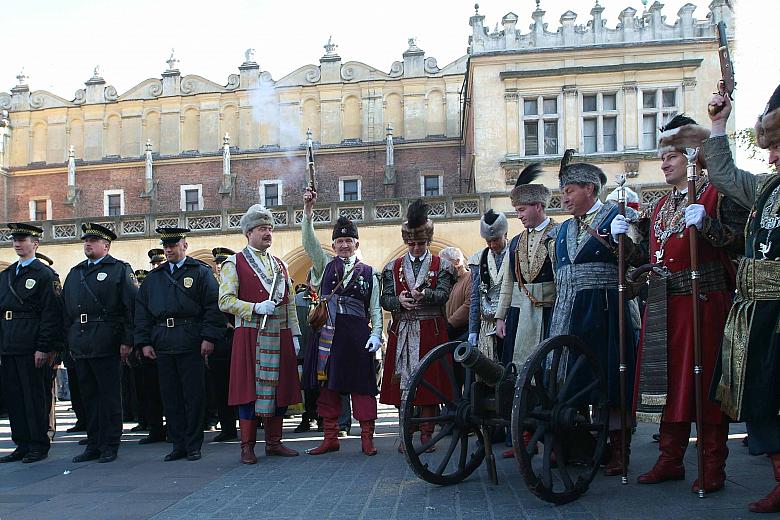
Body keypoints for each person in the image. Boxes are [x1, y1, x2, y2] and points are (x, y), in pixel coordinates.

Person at [614, 115, 747, 493]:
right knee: (668, 383)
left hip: (703, 302)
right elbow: (647, 258)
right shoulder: (659, 206)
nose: (664, 163)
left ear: (693, 155)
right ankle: (669, 458)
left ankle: (712, 465)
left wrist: (707, 225)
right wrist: (620, 241)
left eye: (671, 155)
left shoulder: (718, 194)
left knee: (704, 384)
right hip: (664, 305)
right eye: (662, 157)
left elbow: (740, 243)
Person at [704, 84, 780, 513]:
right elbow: (725, 177)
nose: (771, 157)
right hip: (757, 313)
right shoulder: (768, 188)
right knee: (761, 398)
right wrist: (718, 125)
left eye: (778, 147)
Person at [550, 156, 644, 476]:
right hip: (568, 312)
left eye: (569, 190)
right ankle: (581, 445)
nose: (564, 197)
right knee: (573, 379)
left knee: (611, 379)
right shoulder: (563, 229)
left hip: (605, 310)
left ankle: (618, 448)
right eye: (563, 191)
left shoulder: (618, 215)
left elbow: (638, 259)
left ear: (589, 189)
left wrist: (622, 239)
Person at [300, 187, 383, 456]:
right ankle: (330, 437)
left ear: (357, 244)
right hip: (328, 335)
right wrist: (308, 211)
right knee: (328, 388)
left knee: (363, 387)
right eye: (339, 241)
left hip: (357, 336)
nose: (344, 245)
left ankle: (367, 438)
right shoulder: (323, 264)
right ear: (333, 245)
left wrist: (376, 334)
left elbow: (375, 308)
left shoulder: (370, 273)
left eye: (349, 241)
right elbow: (308, 242)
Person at [218, 205, 302, 464]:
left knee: (280, 388)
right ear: (249, 233)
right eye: (262, 229)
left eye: (269, 229)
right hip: (250, 333)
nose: (268, 233)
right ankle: (247, 446)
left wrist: (295, 334)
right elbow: (225, 301)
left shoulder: (280, 265)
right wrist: (254, 307)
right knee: (249, 391)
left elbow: (289, 303)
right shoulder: (234, 263)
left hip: (280, 332)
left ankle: (274, 443)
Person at [135, 227, 225, 462]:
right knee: (170, 396)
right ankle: (178, 443)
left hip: (191, 341)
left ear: (184, 245)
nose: (168, 250)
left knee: (193, 396)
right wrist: (144, 342)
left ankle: (193, 444)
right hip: (163, 341)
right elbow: (142, 313)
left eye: (173, 245)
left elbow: (213, 307)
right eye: (166, 246)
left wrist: (209, 337)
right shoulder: (155, 277)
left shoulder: (200, 272)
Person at [379, 199, 456, 452]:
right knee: (402, 383)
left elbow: (444, 295)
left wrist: (427, 295)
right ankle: (405, 434)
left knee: (430, 382)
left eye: (420, 243)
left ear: (428, 241)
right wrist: (398, 301)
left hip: (430, 329)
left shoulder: (442, 265)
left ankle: (427, 434)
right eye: (411, 244)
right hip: (403, 328)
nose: (415, 248)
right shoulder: (392, 267)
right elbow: (385, 299)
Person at [494, 163, 558, 458]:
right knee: (520, 374)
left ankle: (554, 442)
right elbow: (508, 282)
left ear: (538, 206)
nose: (518, 215)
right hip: (520, 316)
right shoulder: (517, 242)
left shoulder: (558, 233)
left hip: (550, 312)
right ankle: (526, 437)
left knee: (548, 375)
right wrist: (500, 316)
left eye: (521, 210)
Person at [62, 223, 137, 464]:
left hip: (107, 339)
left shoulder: (119, 270)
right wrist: (69, 341)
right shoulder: (75, 273)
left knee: (109, 396)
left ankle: (110, 444)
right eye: (86, 241)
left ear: (106, 245)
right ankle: (93, 443)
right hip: (81, 342)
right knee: (89, 396)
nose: (87, 244)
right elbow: (66, 311)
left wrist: (127, 340)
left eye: (93, 241)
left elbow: (130, 308)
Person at [0, 223, 64, 463]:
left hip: (31, 343)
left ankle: (38, 443)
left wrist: (44, 346)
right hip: (9, 343)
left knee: (34, 396)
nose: (17, 244)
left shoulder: (44, 274)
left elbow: (51, 313)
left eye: (23, 240)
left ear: (35, 244)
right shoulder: (7, 274)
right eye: (15, 240)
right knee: (15, 397)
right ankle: (22, 443)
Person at [467, 210, 509, 360]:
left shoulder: (515, 253)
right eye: (488, 241)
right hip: (486, 325)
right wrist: (473, 330)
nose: (492, 245)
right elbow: (475, 297)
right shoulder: (479, 259)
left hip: (509, 321)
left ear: (505, 234)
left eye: (496, 240)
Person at [136, 251, 167, 445]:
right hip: (153, 340)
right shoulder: (151, 281)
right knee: (151, 390)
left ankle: (174, 429)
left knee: (172, 390)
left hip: (171, 341)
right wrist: (143, 342)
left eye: (159, 262)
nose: (156, 266)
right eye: (153, 264)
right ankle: (155, 429)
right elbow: (141, 314)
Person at [209, 247, 237, 442]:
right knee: (221, 386)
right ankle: (227, 427)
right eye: (217, 263)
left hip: (237, 336)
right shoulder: (213, 284)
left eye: (223, 263)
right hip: (220, 340)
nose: (219, 266)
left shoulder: (237, 282)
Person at [439, 247, 471, 343]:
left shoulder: (470, 277)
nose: (443, 268)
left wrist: (450, 324)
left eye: (445, 264)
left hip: (463, 333)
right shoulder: (447, 281)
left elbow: (469, 305)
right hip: (448, 332)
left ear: (457, 262)